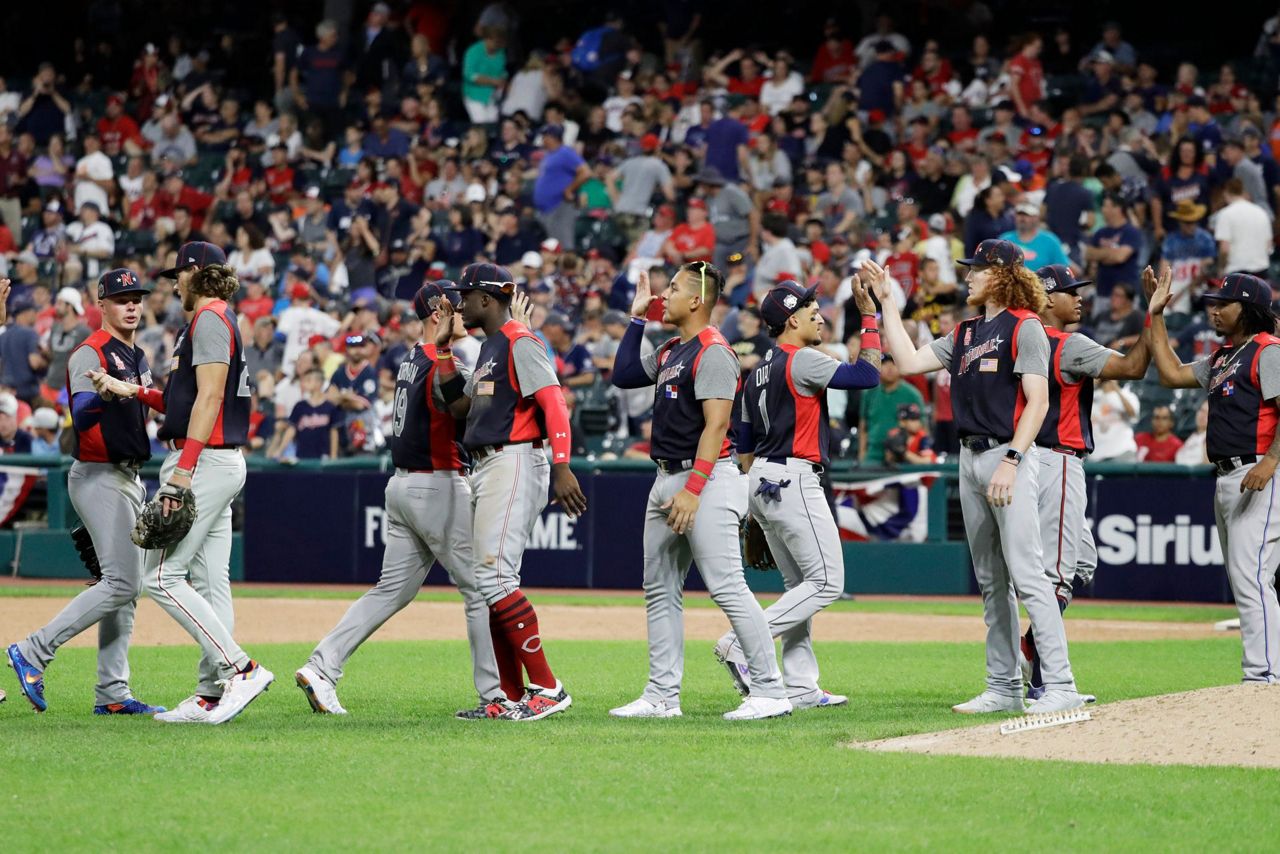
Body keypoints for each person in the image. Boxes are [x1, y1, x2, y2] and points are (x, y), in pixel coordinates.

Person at [869, 240, 1086, 713]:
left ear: (1002, 275)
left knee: (1029, 574)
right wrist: (888, 303)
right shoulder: (966, 332)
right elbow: (907, 362)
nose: (967, 276)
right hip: (969, 458)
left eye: (977, 269)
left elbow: (1040, 402)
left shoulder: (1026, 325)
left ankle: (1062, 686)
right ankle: (1004, 686)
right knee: (991, 581)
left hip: (1006, 457)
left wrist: (1012, 460)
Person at [296, 283, 503, 716]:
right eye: (455, 304)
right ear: (437, 312)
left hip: (403, 486)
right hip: (438, 484)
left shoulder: (411, 357)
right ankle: (494, 697)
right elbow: (466, 416)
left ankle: (322, 666)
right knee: (481, 590)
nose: (463, 309)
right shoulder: (442, 362)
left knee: (391, 590)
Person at [609, 262, 789, 721]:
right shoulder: (673, 347)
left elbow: (717, 426)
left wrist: (692, 489)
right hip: (667, 477)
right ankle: (662, 696)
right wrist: (636, 319)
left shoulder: (712, 350)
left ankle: (770, 690)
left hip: (705, 480)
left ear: (696, 300)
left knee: (727, 586)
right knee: (660, 589)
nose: (663, 294)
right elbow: (625, 373)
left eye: (672, 288)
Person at [713, 278, 882, 708]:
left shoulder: (757, 373)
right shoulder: (801, 358)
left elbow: (745, 445)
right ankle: (741, 641)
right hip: (793, 475)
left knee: (798, 587)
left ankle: (802, 687)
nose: (820, 316)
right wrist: (868, 318)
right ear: (791, 319)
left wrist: (757, 506)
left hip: (762, 478)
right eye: (811, 310)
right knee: (827, 584)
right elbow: (867, 376)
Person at [5, 270, 167, 715]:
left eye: (136, 298)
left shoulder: (136, 353)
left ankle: (112, 694)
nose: (131, 306)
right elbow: (80, 413)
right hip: (99, 474)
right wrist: (109, 395)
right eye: (121, 299)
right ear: (102, 304)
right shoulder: (88, 352)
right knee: (122, 582)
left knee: (126, 589)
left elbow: (151, 404)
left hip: (130, 476)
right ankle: (33, 650)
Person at [435, 262, 587, 721]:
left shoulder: (520, 340)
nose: (459, 303)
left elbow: (554, 402)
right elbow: (459, 406)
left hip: (515, 457)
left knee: (495, 579)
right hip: (489, 462)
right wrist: (443, 351)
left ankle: (547, 687)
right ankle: (509, 696)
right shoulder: (490, 347)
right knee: (489, 584)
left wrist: (562, 466)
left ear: (486, 300)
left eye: (465, 296)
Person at [141, 243, 273, 724]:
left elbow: (212, 394)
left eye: (178, 273)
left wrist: (183, 470)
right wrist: (134, 391)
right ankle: (210, 693)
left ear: (196, 273)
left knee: (159, 577)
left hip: (204, 461)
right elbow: (185, 398)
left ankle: (242, 668)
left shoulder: (211, 317)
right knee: (212, 582)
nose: (173, 282)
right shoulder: (210, 319)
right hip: (214, 458)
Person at [1019, 264, 1155, 701]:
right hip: (1055, 458)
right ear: (1045, 298)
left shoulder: (1015, 337)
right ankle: (1042, 675)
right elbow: (1134, 367)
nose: (1078, 298)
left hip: (1022, 459)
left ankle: (1027, 649)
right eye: (1069, 291)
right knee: (1058, 574)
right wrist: (1154, 315)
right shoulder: (1066, 344)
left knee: (1081, 563)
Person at [1149, 272, 1280, 683]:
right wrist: (1155, 315)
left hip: (1259, 469)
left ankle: (1264, 674)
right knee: (1247, 575)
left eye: (1224, 303)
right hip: (1229, 474)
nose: (1214, 309)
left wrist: (1271, 462)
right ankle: (1264, 671)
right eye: (1213, 302)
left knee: (1252, 575)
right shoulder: (1225, 356)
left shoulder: (1268, 350)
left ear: (1250, 309)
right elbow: (1171, 374)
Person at [858, 354, 923, 464]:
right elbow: (863, 426)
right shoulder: (869, 392)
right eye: (884, 364)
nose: (889, 368)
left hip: (902, 456)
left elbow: (922, 427)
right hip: (873, 454)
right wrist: (862, 454)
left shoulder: (912, 394)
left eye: (894, 363)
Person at [532, 125, 589, 251]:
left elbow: (585, 172)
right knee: (551, 248)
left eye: (545, 136)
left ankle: (567, 270)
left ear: (553, 137)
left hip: (560, 206)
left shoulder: (565, 152)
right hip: (547, 210)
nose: (543, 139)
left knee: (563, 246)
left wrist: (569, 189)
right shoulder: (549, 154)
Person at [1084, 193, 1141, 308]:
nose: (1102, 209)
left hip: (1125, 295)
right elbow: (1088, 254)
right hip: (1103, 292)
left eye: (1105, 206)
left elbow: (1119, 257)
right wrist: (1111, 253)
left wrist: (1101, 254)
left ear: (1117, 209)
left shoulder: (1131, 232)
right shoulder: (1100, 233)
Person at [1161, 199, 1217, 315]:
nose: (1191, 226)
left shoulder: (1205, 239)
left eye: (1193, 222)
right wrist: (1163, 293)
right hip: (1175, 283)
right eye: (1187, 222)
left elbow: (1206, 272)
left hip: (1196, 285)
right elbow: (1163, 271)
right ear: (1180, 222)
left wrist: (1180, 295)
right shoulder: (1170, 241)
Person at [269, 369, 339, 460]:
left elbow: (334, 432)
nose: (304, 383)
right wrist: (280, 450)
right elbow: (292, 429)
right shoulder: (300, 406)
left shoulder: (330, 407)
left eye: (308, 380)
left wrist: (333, 456)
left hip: (323, 456)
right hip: (302, 455)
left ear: (319, 383)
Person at [1214, 178, 1273, 277]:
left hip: (1237, 272)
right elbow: (1269, 245)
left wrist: (1221, 268)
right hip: (1261, 271)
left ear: (1225, 192)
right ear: (1243, 192)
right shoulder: (1261, 212)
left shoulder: (1225, 214)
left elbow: (1224, 248)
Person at [999, 202, 1070, 269]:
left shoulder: (1050, 240)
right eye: (1019, 214)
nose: (1022, 218)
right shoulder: (1005, 239)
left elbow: (1062, 267)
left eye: (1027, 215)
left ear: (1037, 218)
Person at [1175, 400, 1209, 465]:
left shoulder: (1212, 438)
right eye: (1202, 410)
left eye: (1207, 413)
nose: (1203, 415)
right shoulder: (1192, 436)